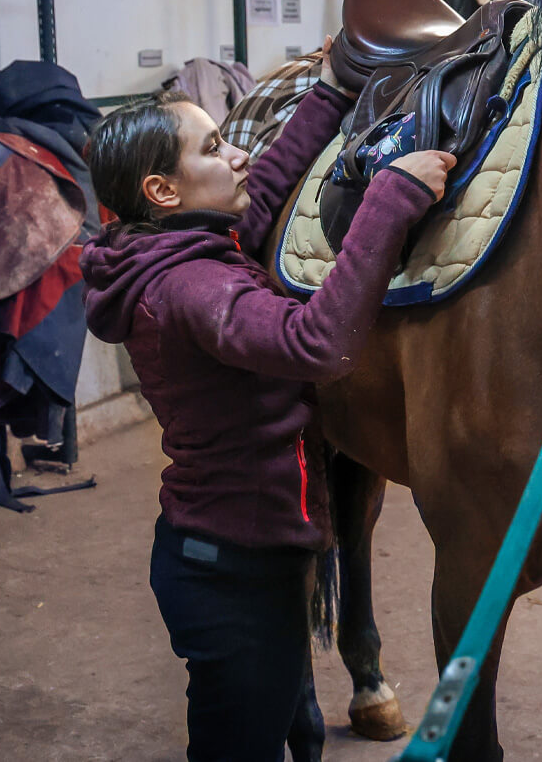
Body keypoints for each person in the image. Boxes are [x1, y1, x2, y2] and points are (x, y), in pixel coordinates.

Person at [80, 37, 455, 762]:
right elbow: (319, 344)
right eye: (215, 148)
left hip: (242, 556)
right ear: (163, 191)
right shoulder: (194, 289)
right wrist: (391, 199)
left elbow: (267, 186)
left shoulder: (180, 250)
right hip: (236, 573)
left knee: (296, 724)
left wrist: (332, 93)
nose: (238, 156)